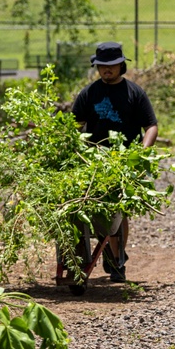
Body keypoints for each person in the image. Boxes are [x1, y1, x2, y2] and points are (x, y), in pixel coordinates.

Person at [69, 41, 158, 283]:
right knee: (85, 209)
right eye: (101, 66)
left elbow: (150, 126)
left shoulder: (134, 93)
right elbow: (74, 127)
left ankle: (117, 260)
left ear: (121, 65)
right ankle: (94, 255)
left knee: (118, 212)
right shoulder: (89, 93)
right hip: (92, 162)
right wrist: (71, 148)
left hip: (124, 162)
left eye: (111, 66)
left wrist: (140, 154)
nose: (106, 70)